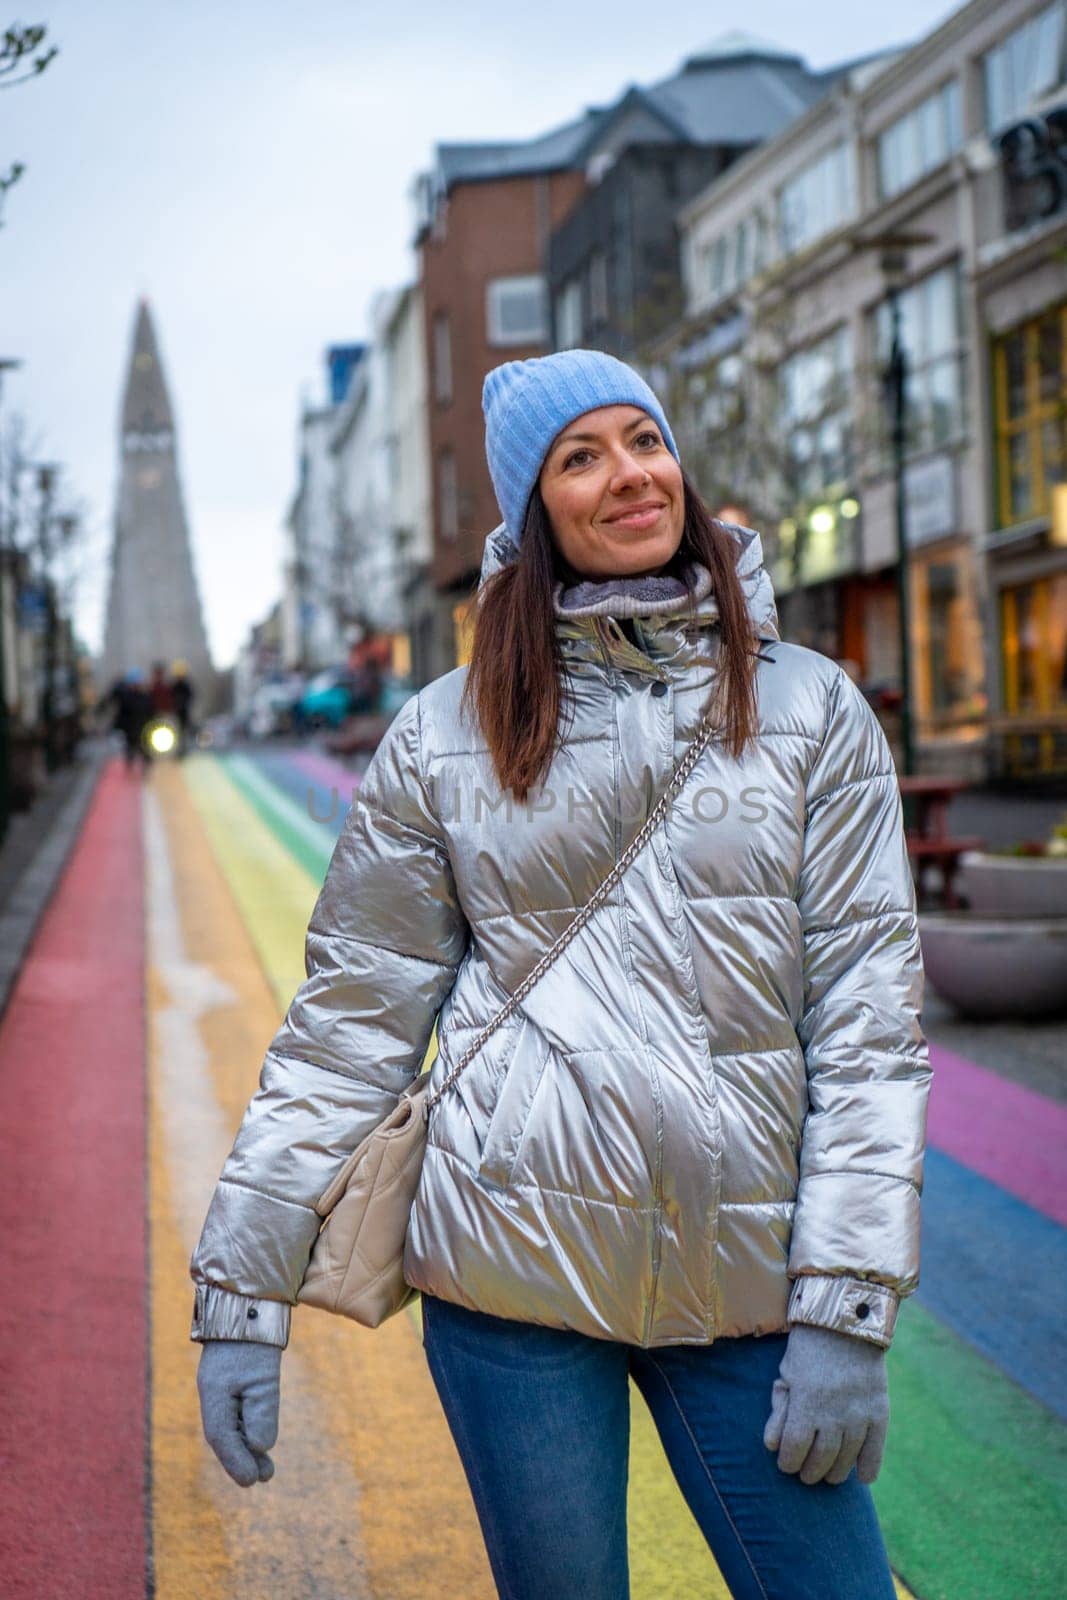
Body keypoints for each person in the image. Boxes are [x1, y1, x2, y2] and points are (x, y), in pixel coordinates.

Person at [190, 350, 930, 1600]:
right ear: (532, 514)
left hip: (746, 1284)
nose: (626, 475)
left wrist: (845, 1304)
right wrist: (240, 1291)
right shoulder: (441, 735)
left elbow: (867, 1023)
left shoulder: (811, 709)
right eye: (577, 458)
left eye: (642, 440)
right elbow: (347, 1030)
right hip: (508, 1280)